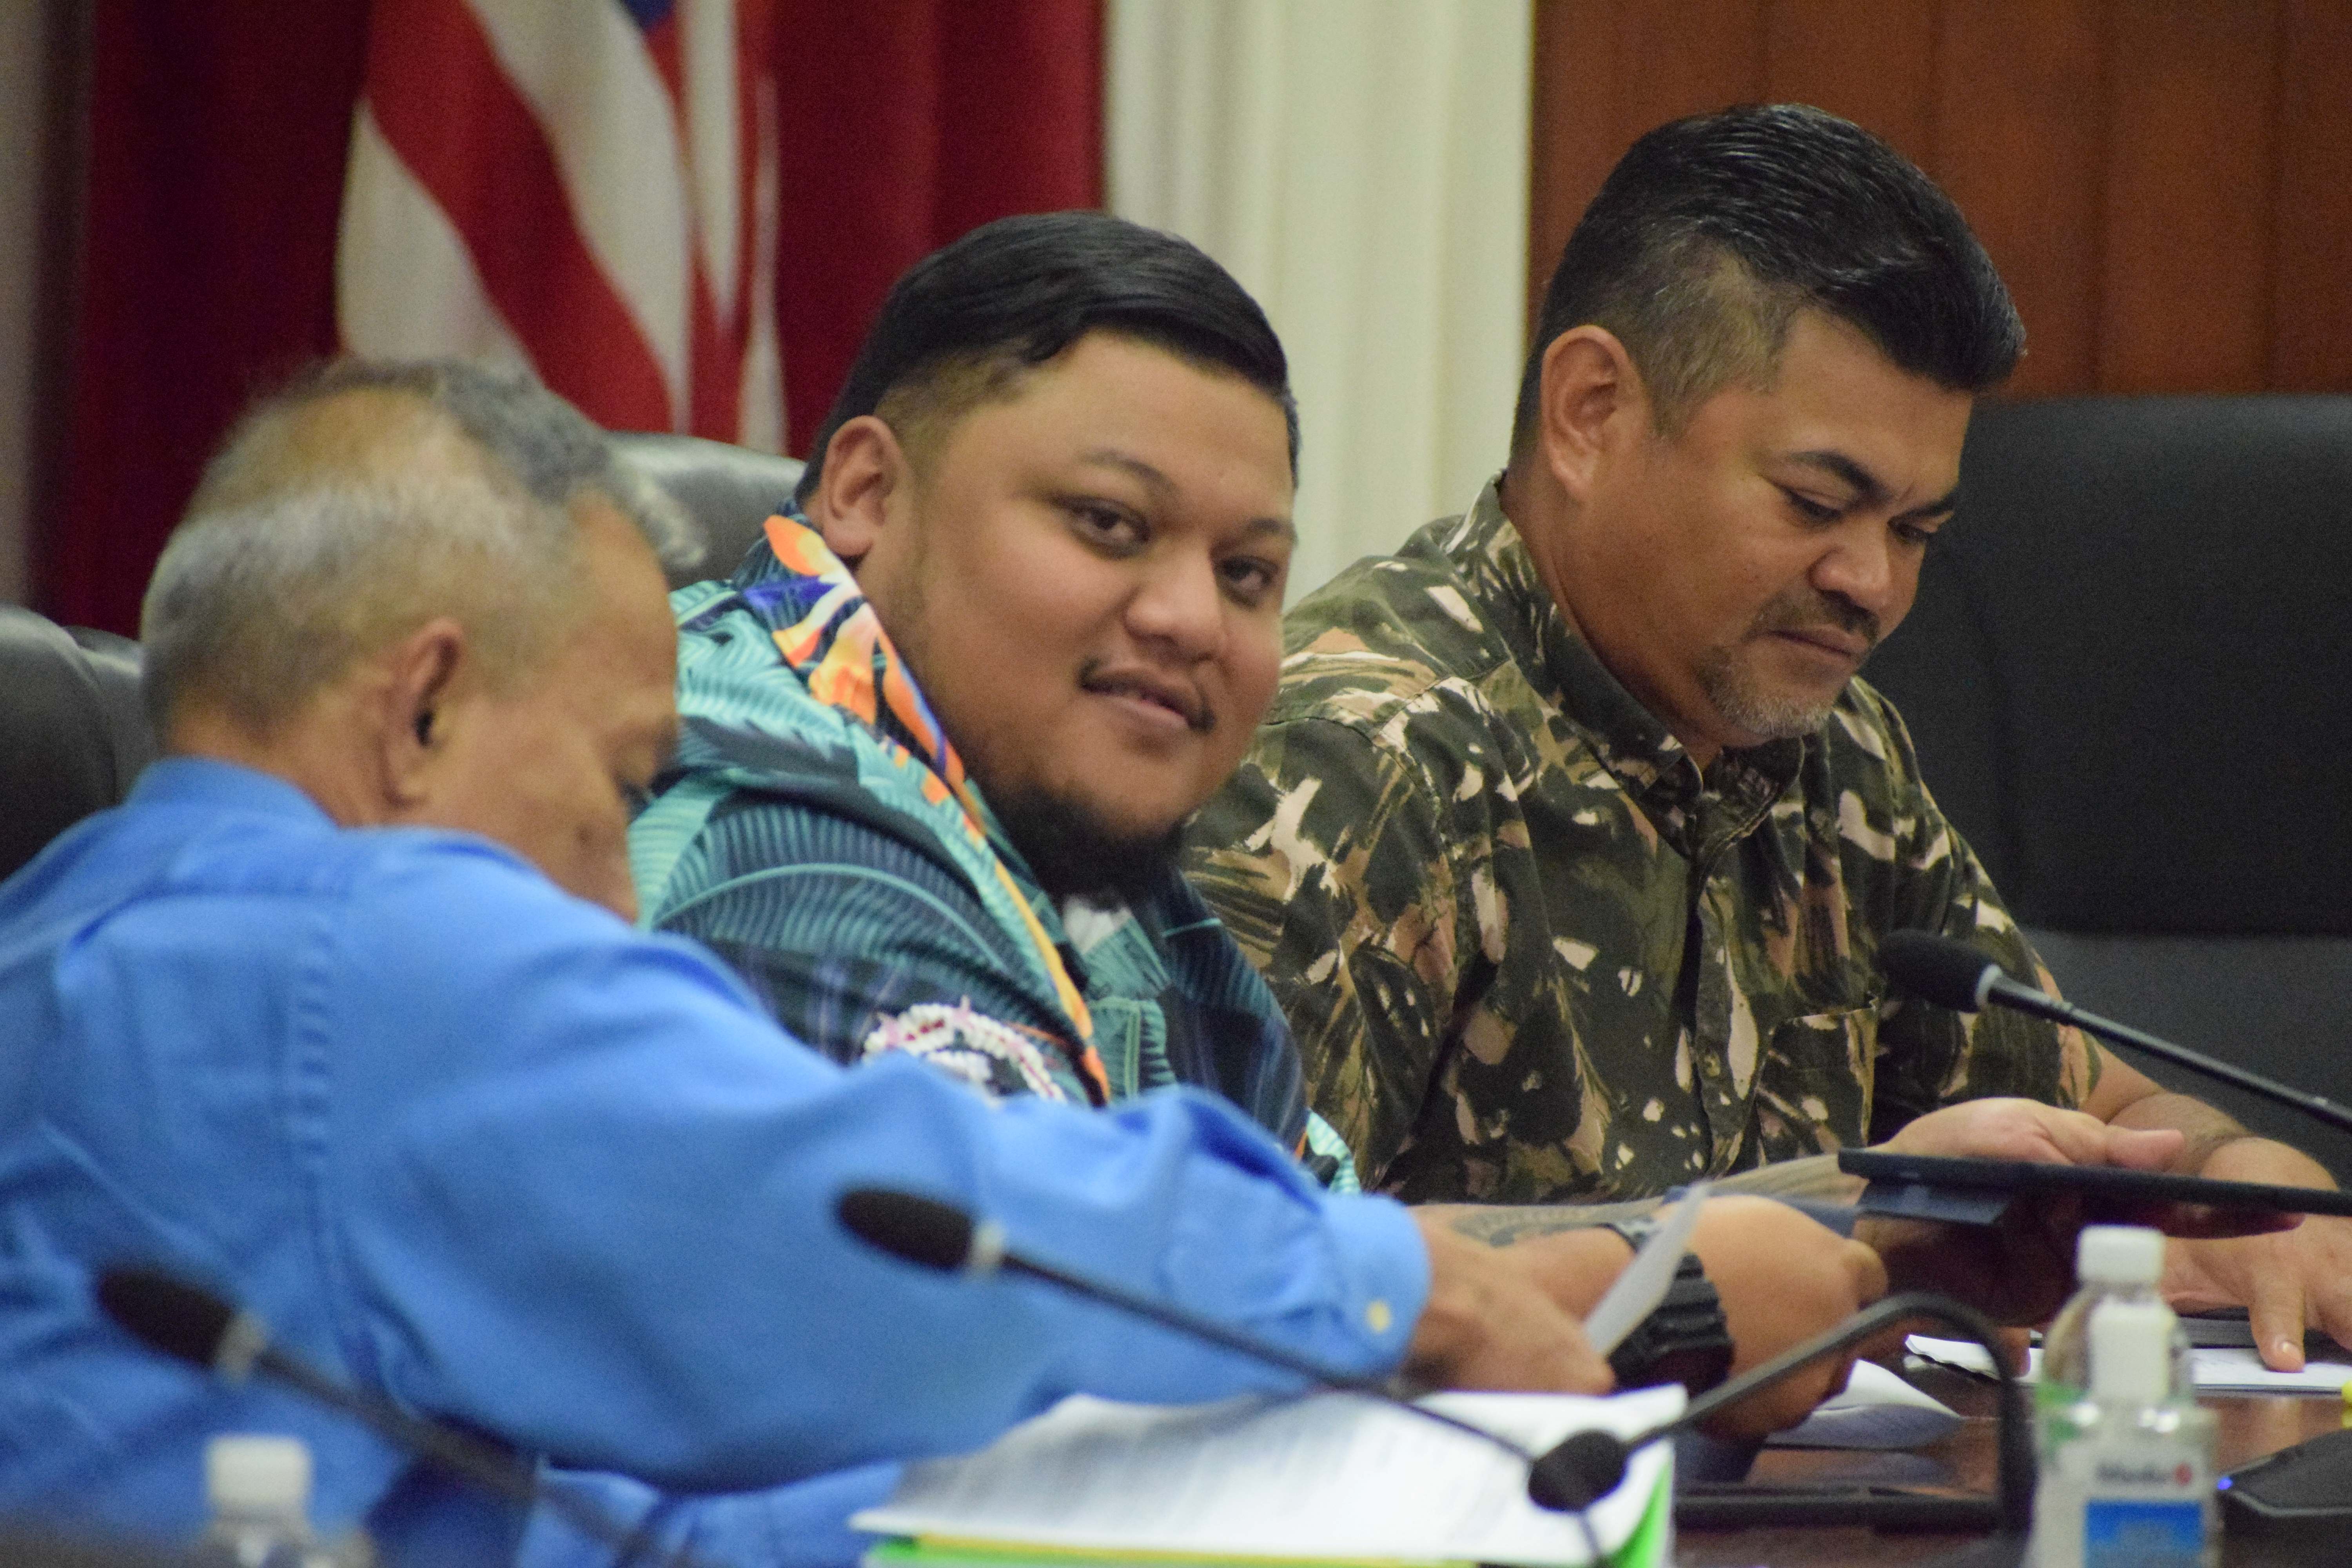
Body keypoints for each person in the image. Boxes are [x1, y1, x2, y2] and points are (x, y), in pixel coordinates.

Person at [0, 358, 1614, 1566]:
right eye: (622, 787)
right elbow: (879, 1234)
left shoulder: (86, 934)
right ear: (422, 712)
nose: (623, 900)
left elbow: (598, 1522)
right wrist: (1401, 1287)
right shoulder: (350, 956)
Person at [623, 213, 1891, 1461]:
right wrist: (1636, 1297)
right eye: (1110, 524)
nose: (1190, 618)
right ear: (865, 491)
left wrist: (1716, 1253)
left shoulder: (1081, 861)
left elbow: (1306, 1241)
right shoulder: (776, 842)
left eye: (1247, 574)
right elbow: (1025, 1366)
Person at [1185, 103, 2352, 1367]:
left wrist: (2240, 1185)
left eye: (1917, 532)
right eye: (1817, 502)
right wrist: (1834, 1215)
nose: (1873, 584)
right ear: (1589, 413)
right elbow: (1219, 1269)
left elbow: (2104, 1102)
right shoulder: (1357, 758)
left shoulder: (1832, 755)